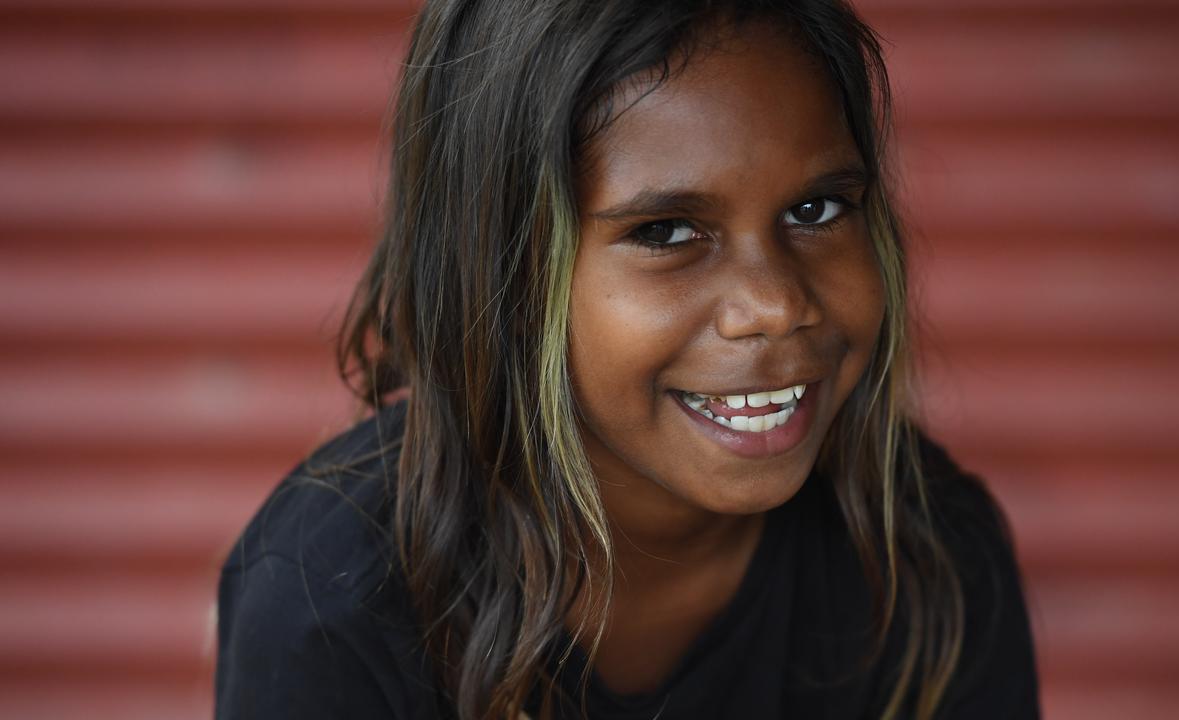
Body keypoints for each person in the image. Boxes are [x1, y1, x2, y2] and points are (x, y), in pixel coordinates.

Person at [213, 1, 1040, 718]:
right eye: (667, 232)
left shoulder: (924, 555)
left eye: (817, 209)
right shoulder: (330, 598)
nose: (777, 304)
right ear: (496, 271)